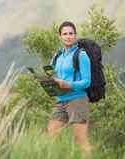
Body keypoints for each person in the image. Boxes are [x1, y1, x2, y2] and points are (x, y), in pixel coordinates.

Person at [48, 21, 92, 158]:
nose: (68, 36)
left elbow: (87, 81)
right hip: (60, 100)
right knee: (52, 133)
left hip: (77, 100)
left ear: (75, 35)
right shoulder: (57, 56)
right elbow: (55, 76)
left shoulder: (81, 55)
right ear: (60, 37)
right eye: (65, 34)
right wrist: (48, 81)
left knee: (81, 140)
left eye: (71, 33)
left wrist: (69, 84)